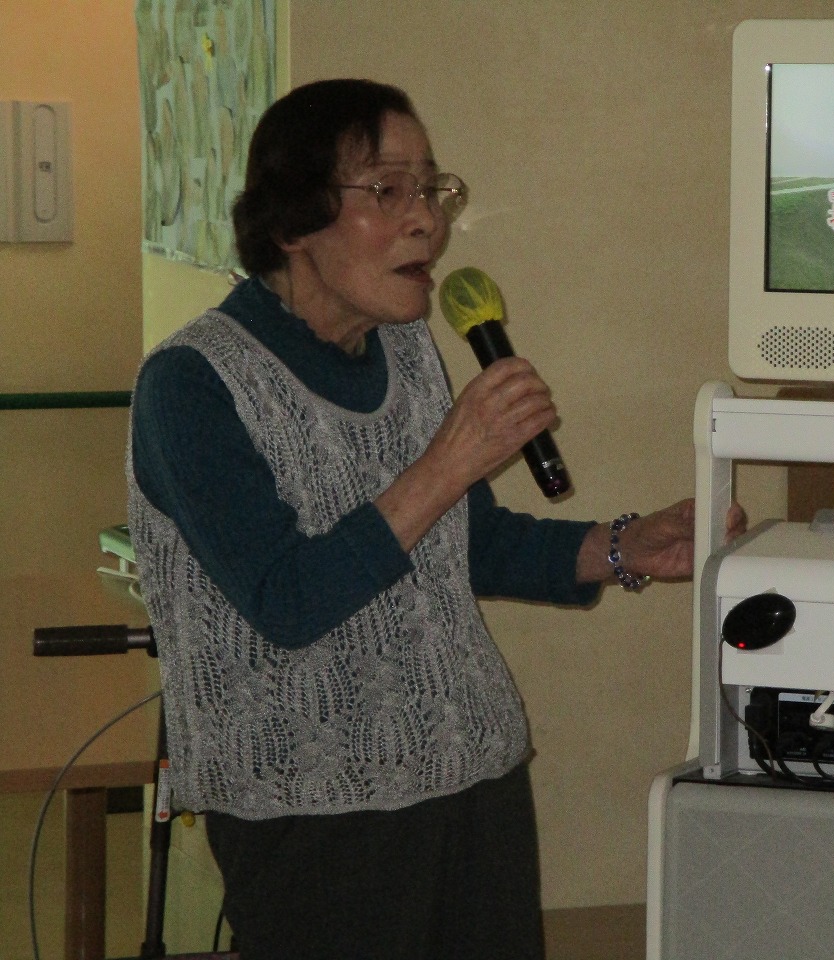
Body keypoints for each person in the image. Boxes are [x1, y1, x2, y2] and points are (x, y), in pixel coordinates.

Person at [125, 77, 744, 960]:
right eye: (388, 190)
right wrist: (449, 460)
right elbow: (285, 600)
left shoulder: (408, 348)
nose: (427, 222)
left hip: (473, 781)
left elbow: (466, 542)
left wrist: (622, 547)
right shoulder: (191, 384)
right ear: (292, 221)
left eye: (431, 189)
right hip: (314, 817)